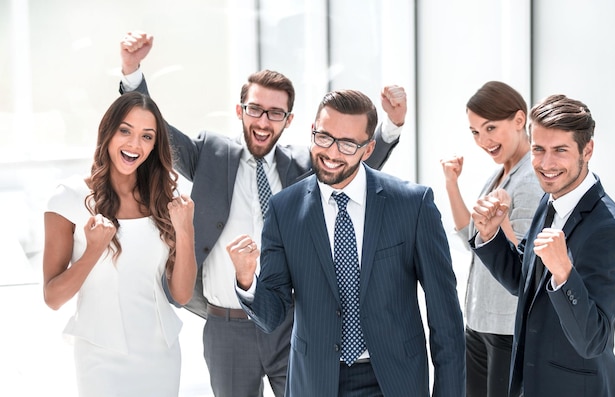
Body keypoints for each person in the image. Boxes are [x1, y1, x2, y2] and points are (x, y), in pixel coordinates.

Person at [118, 30, 407, 397]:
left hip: (291, 325)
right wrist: (132, 74)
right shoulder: (211, 154)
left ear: (288, 120)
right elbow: (158, 133)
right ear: (240, 111)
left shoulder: (304, 165)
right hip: (227, 326)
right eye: (255, 109)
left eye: (275, 113)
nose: (263, 120)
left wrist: (391, 126)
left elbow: (353, 164)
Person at [228, 89, 465, 396]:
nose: (331, 152)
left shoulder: (412, 205)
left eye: (348, 144)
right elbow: (272, 316)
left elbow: (445, 317)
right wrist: (248, 280)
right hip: (315, 382)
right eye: (323, 136)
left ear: (368, 149)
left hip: (394, 381)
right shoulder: (284, 209)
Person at [470, 94, 615, 397]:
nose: (545, 163)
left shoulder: (608, 228)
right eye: (538, 149)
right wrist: (491, 236)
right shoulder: (550, 200)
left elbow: (594, 340)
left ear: (587, 149)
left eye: (560, 150)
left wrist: (564, 275)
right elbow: (523, 281)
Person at [42, 92, 197, 397]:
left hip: (160, 354)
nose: (134, 144)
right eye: (125, 130)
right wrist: (93, 251)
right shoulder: (68, 198)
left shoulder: (164, 198)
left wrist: (185, 230)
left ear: (155, 146)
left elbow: (181, 294)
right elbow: (53, 297)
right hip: (100, 354)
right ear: (108, 132)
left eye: (146, 136)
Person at [440, 81, 543, 396]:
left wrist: (501, 224)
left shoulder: (530, 180)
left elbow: (526, 261)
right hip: (479, 321)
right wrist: (451, 184)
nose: (482, 140)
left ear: (518, 120)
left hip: (506, 329)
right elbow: (472, 238)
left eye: (490, 128)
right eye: (474, 132)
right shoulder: (498, 175)